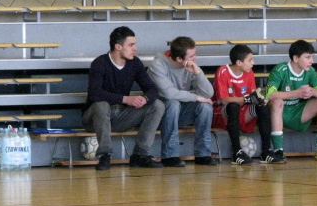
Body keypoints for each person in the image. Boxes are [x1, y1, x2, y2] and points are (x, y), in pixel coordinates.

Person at [82, 26, 165, 171]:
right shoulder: (99, 63)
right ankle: (105, 155)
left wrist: (145, 99)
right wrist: (125, 99)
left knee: (157, 105)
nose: (135, 48)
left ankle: (139, 155)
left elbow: (153, 90)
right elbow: (95, 94)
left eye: (135, 45)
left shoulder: (135, 63)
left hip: (120, 116)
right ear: (118, 46)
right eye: (131, 45)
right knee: (101, 105)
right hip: (94, 119)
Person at [148, 36, 218, 167]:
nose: (195, 59)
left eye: (195, 54)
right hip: (158, 115)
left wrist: (198, 73)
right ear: (179, 59)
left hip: (181, 112)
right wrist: (196, 97)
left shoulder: (191, 66)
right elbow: (169, 93)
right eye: (191, 56)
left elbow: (208, 94)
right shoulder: (157, 65)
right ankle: (170, 155)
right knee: (172, 104)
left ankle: (203, 154)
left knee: (206, 107)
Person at [264, 40, 317, 162]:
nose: (312, 61)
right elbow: (268, 94)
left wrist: (312, 91)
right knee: (277, 102)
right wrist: (296, 93)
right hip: (279, 112)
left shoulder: (310, 72)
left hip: (298, 113)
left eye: (312, 57)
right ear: (296, 58)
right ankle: (278, 150)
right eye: (308, 57)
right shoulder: (280, 69)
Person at [212, 45, 283, 164]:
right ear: (239, 62)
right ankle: (237, 153)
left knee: (263, 107)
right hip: (222, 113)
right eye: (250, 60)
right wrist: (245, 99)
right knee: (233, 105)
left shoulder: (249, 73)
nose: (253, 63)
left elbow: (251, 94)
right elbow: (223, 100)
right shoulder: (223, 71)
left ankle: (266, 151)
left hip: (242, 112)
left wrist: (258, 98)